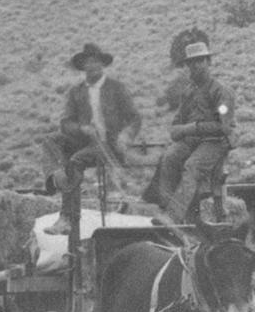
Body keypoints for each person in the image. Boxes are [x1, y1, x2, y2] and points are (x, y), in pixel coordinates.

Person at [41, 42, 143, 236]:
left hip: (108, 145)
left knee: (75, 161)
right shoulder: (76, 92)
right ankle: (55, 177)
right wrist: (82, 128)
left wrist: (125, 136)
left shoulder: (116, 88)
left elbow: (134, 118)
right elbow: (65, 122)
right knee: (50, 140)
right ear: (83, 66)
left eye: (96, 62)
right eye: (88, 62)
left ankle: (68, 218)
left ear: (102, 65)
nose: (92, 66)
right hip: (84, 141)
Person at [150, 41, 236, 224]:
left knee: (192, 166)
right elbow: (177, 122)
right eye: (191, 62)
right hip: (193, 141)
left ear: (208, 62)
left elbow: (224, 127)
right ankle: (166, 209)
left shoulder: (221, 91)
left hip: (216, 141)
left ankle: (173, 217)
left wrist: (192, 128)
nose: (195, 66)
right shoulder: (188, 92)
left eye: (199, 60)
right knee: (169, 157)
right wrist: (179, 130)